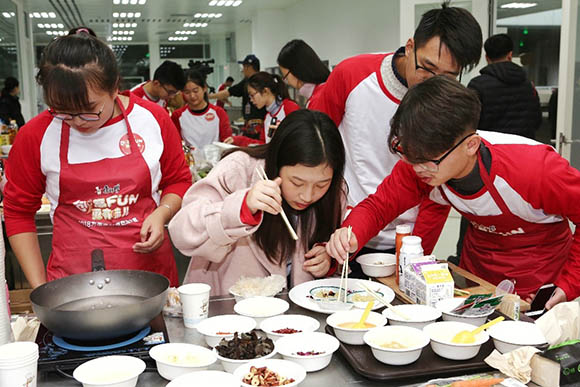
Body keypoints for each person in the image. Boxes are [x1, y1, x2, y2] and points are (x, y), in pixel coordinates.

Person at [326, 76, 580, 310]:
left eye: (428, 160)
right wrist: (351, 234)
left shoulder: (536, 169)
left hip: (539, 279)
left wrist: (568, 284)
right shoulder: (421, 164)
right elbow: (379, 206)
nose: (417, 168)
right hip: (476, 275)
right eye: (409, 156)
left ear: (471, 145)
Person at [3, 33, 192, 288]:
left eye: (90, 110)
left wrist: (162, 213)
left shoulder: (152, 119)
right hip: (73, 284)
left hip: (149, 277)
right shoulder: (36, 135)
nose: (79, 121)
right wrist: (41, 289)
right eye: (63, 112)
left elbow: (178, 180)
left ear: (114, 87)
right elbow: (18, 211)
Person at [309, 3, 483, 278]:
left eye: (448, 76)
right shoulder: (352, 75)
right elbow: (312, 138)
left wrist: (416, 248)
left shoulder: (452, 105)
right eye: (427, 68)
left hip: (407, 239)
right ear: (410, 46)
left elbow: (439, 189)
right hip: (344, 230)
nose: (433, 83)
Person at [168, 109, 346, 296]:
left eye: (321, 184)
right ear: (277, 163)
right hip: (227, 309)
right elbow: (181, 232)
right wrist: (242, 207)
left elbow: (336, 249)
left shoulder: (334, 190)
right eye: (297, 183)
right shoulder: (240, 169)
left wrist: (329, 258)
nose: (307, 195)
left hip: (296, 314)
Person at [468, 33, 542, 139]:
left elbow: (469, 124)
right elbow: (537, 121)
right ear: (510, 55)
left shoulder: (477, 85)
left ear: (487, 57)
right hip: (524, 149)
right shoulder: (528, 85)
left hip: (491, 150)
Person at [171, 70, 233, 149]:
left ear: (204, 88)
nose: (192, 96)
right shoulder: (177, 116)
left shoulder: (219, 113)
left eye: (195, 91)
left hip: (216, 160)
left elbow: (227, 142)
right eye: (187, 92)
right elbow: (176, 144)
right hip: (190, 160)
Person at [209, 54, 266, 140]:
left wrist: (209, 96)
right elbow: (230, 91)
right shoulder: (248, 81)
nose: (242, 70)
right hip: (251, 125)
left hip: (258, 126)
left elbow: (228, 92)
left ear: (248, 67)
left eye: (243, 67)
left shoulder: (258, 81)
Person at [236, 71, 299, 146]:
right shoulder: (267, 117)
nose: (251, 100)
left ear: (265, 91)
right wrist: (239, 140)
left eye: (252, 95)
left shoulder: (289, 107)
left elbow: (300, 137)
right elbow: (263, 145)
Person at [277, 39, 330, 108]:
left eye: (286, 77)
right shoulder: (323, 91)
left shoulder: (318, 99)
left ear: (296, 70)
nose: (288, 82)